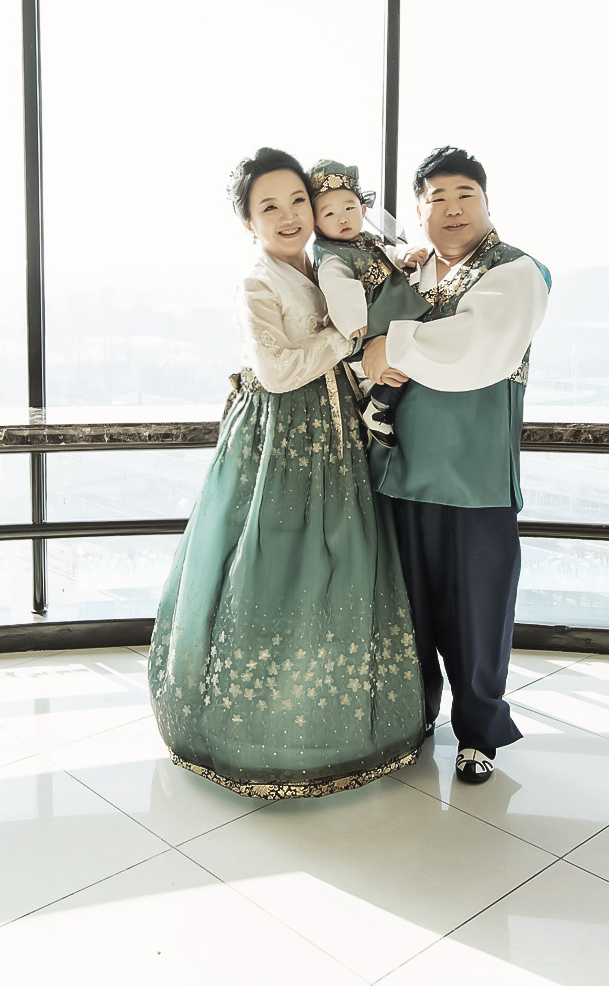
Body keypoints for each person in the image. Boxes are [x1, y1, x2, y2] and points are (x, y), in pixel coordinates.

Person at [147, 148, 425, 799]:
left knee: (340, 565)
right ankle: (265, 729)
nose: (289, 215)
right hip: (278, 439)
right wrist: (349, 340)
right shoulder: (258, 283)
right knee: (272, 568)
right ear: (249, 221)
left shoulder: (323, 262)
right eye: (269, 206)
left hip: (335, 432)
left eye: (297, 200)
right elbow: (275, 371)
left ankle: (343, 721)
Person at [360, 146, 550, 786]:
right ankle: (413, 720)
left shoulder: (515, 270)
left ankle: (478, 734)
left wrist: (392, 344)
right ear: (418, 212)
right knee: (408, 614)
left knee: (478, 614)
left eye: (465, 195)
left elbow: (478, 345)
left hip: (475, 477)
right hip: (401, 471)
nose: (451, 209)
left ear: (487, 202)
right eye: (436, 199)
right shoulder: (409, 276)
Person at [308, 159, 431, 449]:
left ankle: (378, 403)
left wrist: (403, 257)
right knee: (393, 369)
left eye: (349, 209)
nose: (343, 218)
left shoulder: (365, 240)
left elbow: (385, 252)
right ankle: (376, 407)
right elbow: (336, 285)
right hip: (368, 323)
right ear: (315, 222)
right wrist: (352, 321)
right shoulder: (331, 254)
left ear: (363, 210)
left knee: (408, 354)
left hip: (387, 312)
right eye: (330, 213)